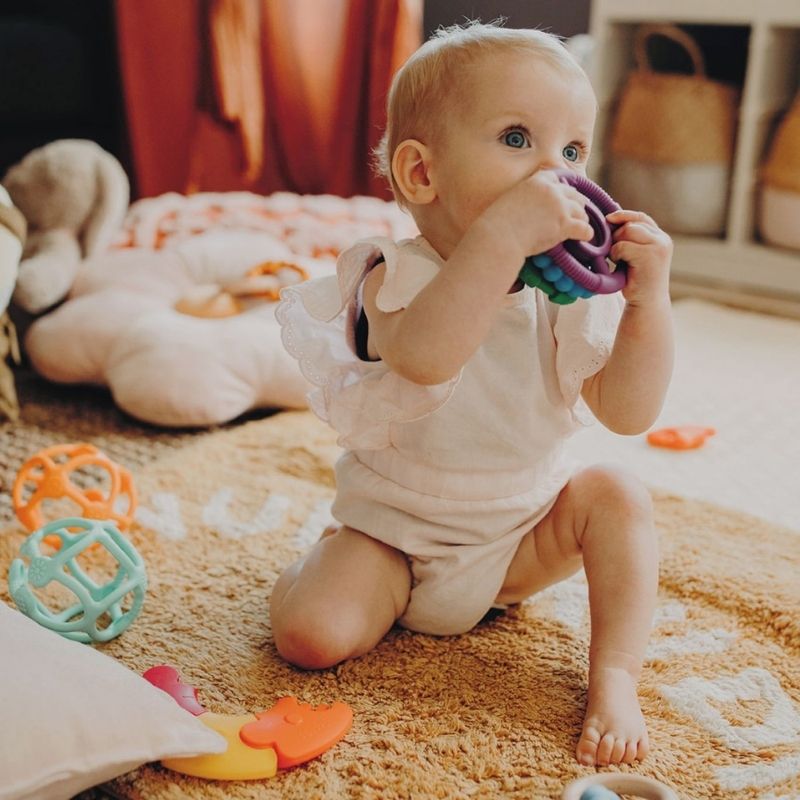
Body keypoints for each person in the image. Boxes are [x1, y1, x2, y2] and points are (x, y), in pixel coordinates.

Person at [272, 21, 674, 768]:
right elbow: (426, 357)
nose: (555, 173)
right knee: (309, 638)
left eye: (574, 151)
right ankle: (318, 565)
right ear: (422, 176)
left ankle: (615, 675)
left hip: (518, 538)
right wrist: (498, 240)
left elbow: (629, 412)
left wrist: (650, 304)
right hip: (394, 535)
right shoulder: (397, 273)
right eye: (518, 139)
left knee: (618, 494)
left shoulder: (564, 295)